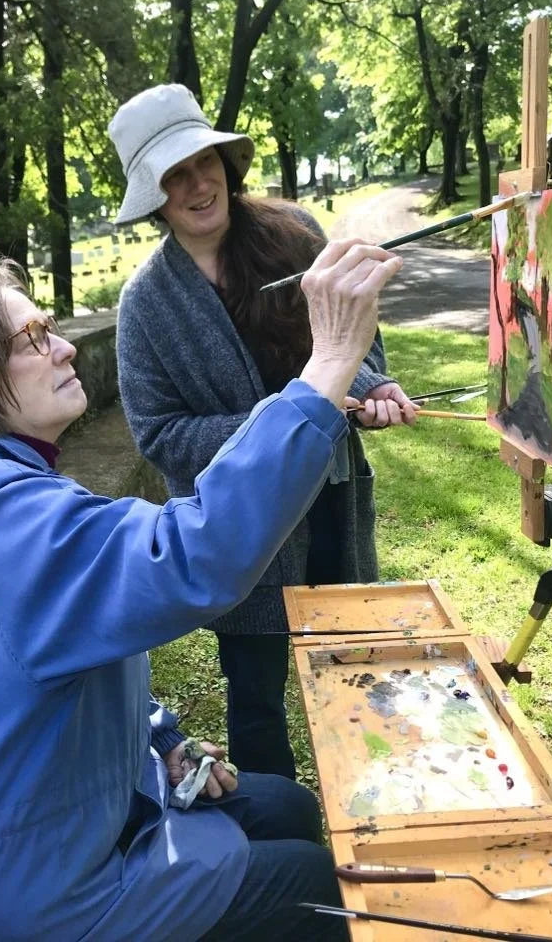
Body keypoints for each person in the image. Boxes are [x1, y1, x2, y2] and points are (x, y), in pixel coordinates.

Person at [0, 249, 401, 941]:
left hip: (44, 826)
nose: (63, 349)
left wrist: (160, 739)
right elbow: (189, 556)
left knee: (286, 807)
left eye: (50, 327)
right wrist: (327, 365)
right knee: (313, 886)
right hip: (26, 895)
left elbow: (69, 640)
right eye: (32, 339)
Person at [110, 83, 417, 780]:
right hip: (239, 528)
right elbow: (160, 435)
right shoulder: (146, 306)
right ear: (154, 196)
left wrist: (372, 389)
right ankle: (279, 834)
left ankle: (367, 802)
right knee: (255, 699)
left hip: (332, 495)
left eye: (203, 162)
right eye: (173, 175)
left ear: (225, 160)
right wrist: (280, 426)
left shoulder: (295, 234)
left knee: (353, 669)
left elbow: (356, 344)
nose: (196, 185)